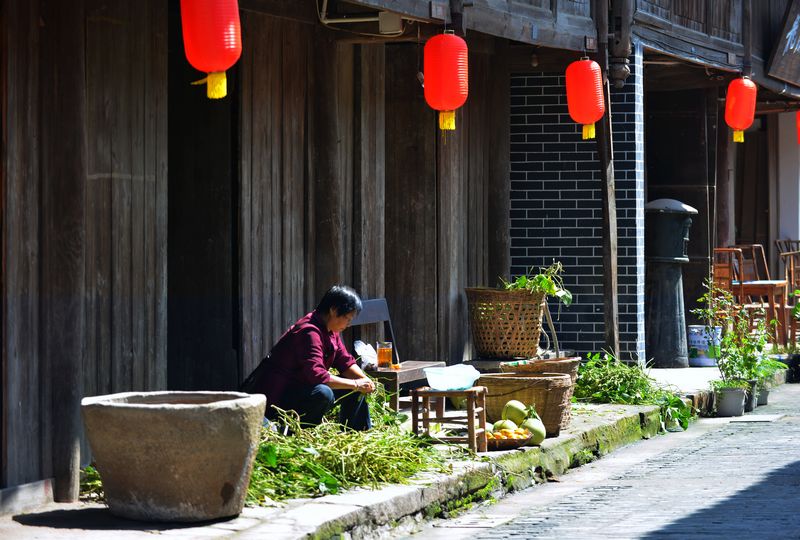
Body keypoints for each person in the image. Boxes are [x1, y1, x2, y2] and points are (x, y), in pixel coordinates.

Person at [248, 285, 376, 430]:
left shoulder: (329, 330)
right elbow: (317, 376)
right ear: (333, 310)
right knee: (324, 393)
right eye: (347, 318)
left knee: (355, 388)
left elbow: (344, 361)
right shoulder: (309, 332)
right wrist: (356, 384)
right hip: (280, 399)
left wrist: (364, 380)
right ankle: (293, 431)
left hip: (303, 389)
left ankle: (358, 431)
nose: (348, 324)